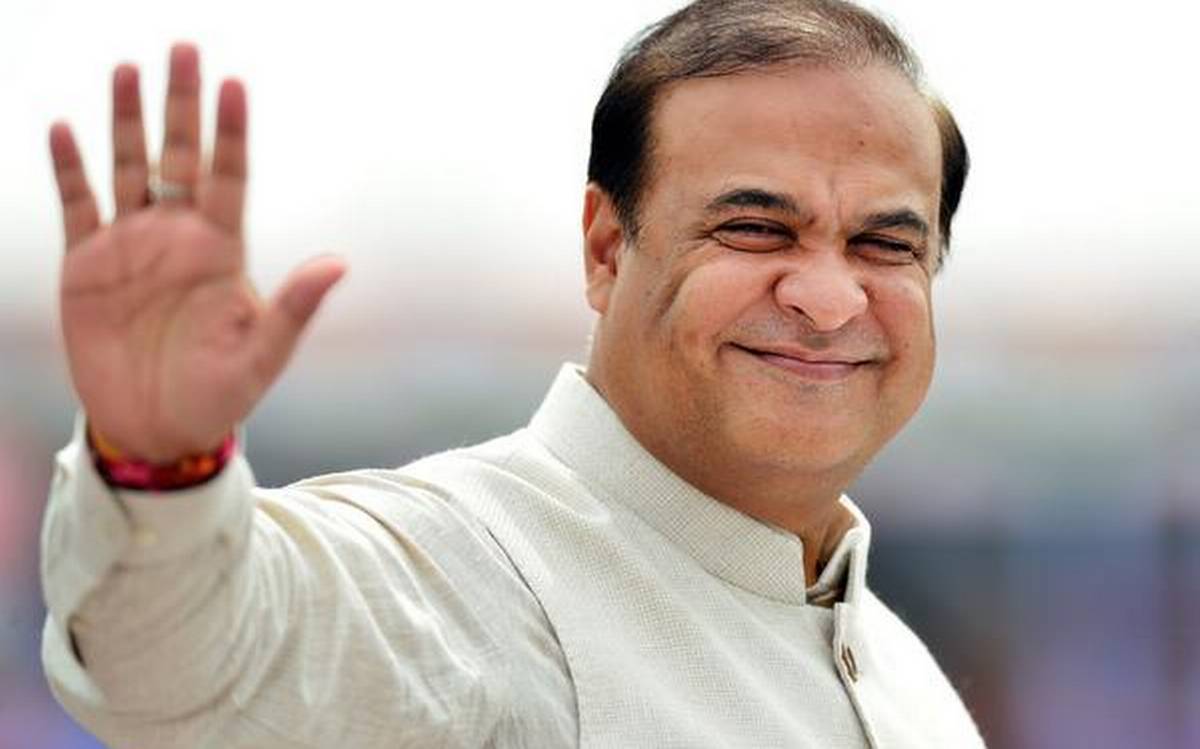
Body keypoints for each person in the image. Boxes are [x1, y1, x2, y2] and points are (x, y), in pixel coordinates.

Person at [39, 0, 983, 746]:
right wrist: (158, 466)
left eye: (884, 244)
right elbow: (186, 664)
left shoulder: (905, 676)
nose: (829, 298)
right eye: (754, 228)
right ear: (606, 248)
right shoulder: (471, 577)